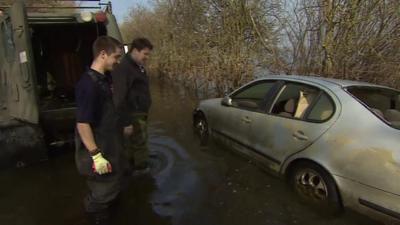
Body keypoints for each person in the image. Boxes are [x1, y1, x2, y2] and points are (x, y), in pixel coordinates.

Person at [74, 36, 123, 225]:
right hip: (99, 151)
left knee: (113, 190)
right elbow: (83, 123)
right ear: (103, 54)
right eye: (116, 57)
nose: (118, 62)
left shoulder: (103, 78)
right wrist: (96, 155)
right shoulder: (88, 85)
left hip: (110, 144)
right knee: (100, 197)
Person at [112, 38, 153, 175]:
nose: (147, 58)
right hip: (133, 114)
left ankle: (132, 169)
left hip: (139, 112)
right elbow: (119, 97)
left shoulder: (137, 66)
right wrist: (126, 122)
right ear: (135, 51)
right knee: (139, 142)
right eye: (145, 54)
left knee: (135, 143)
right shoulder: (124, 68)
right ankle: (142, 171)